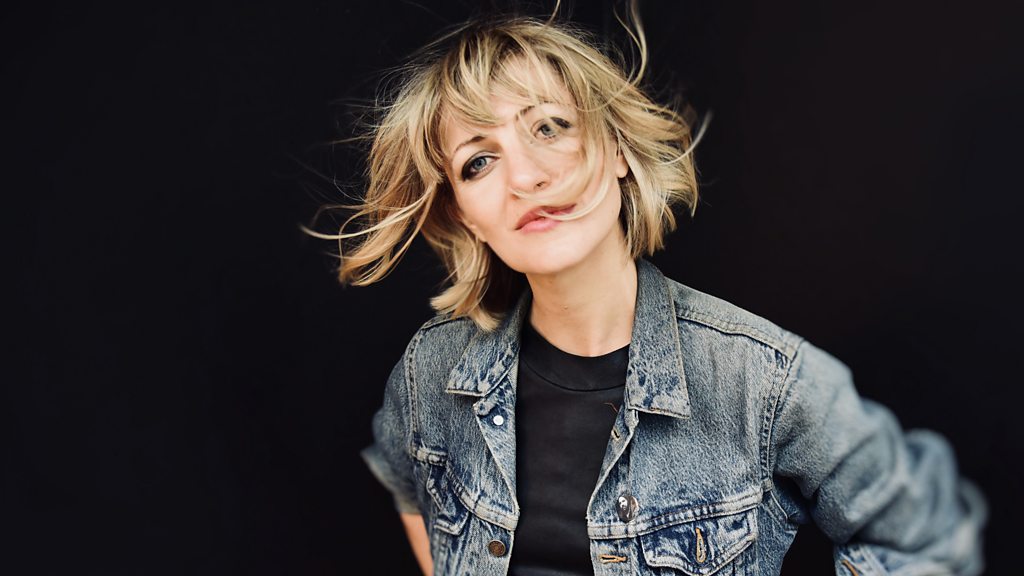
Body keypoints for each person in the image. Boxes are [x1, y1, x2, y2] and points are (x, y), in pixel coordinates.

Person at [317, 11, 986, 576]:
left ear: (614, 149)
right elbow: (404, 480)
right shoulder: (432, 370)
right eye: (478, 161)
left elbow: (927, 535)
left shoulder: (759, 380)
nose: (525, 175)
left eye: (549, 126)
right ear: (465, 215)